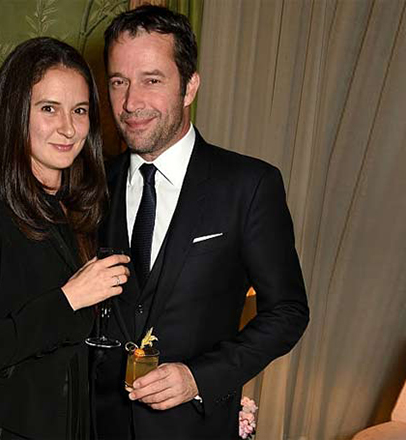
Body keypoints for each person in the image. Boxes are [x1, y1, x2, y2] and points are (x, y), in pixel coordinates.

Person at [93, 6, 310, 439]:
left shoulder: (248, 185)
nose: (131, 103)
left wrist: (199, 378)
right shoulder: (92, 185)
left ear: (190, 86)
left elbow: (288, 312)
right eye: (119, 82)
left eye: (152, 80)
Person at [0, 37, 130, 440]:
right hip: (6, 429)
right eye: (48, 108)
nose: (68, 128)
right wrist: (68, 299)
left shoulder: (86, 203)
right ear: (15, 113)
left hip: (74, 423)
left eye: (80, 110)